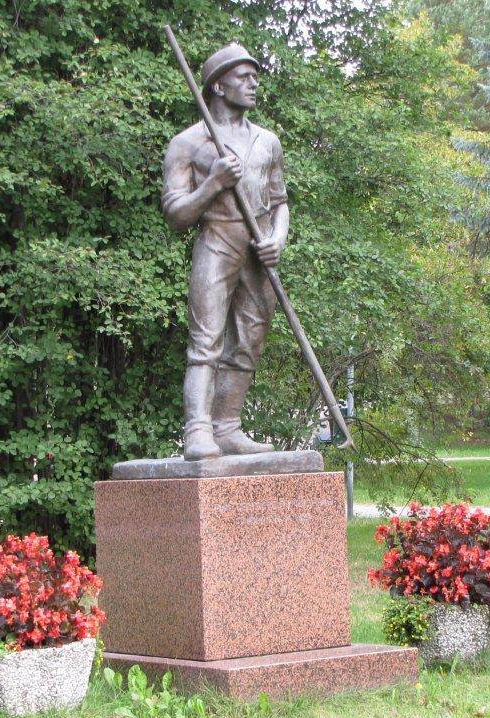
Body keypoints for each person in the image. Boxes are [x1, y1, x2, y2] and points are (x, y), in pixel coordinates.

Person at [161, 43, 289, 461]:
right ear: (218, 85)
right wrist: (213, 183)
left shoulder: (267, 141)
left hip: (258, 248)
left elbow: (280, 201)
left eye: (256, 76)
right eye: (244, 76)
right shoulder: (188, 143)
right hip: (217, 242)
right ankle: (198, 430)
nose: (254, 83)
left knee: (249, 342)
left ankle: (227, 427)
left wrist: (277, 240)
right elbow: (176, 214)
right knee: (206, 342)